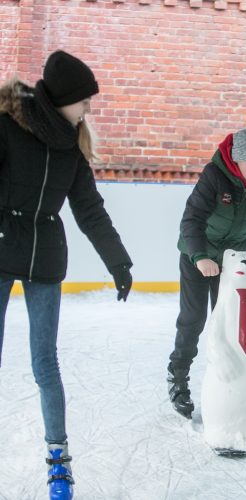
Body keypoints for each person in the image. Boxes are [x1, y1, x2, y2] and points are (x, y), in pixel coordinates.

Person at [0, 50, 133, 499]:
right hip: (1, 248)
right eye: (84, 101)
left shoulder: (72, 148)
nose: (88, 110)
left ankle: (59, 459)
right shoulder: (7, 128)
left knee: (44, 362)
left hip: (46, 259)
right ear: (62, 99)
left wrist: (118, 261)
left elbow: (90, 211)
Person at [167, 126, 246, 419]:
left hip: (235, 259)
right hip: (198, 255)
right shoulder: (214, 175)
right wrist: (199, 257)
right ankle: (178, 377)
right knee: (194, 320)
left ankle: (234, 384)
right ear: (237, 160)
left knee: (234, 322)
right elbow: (192, 218)